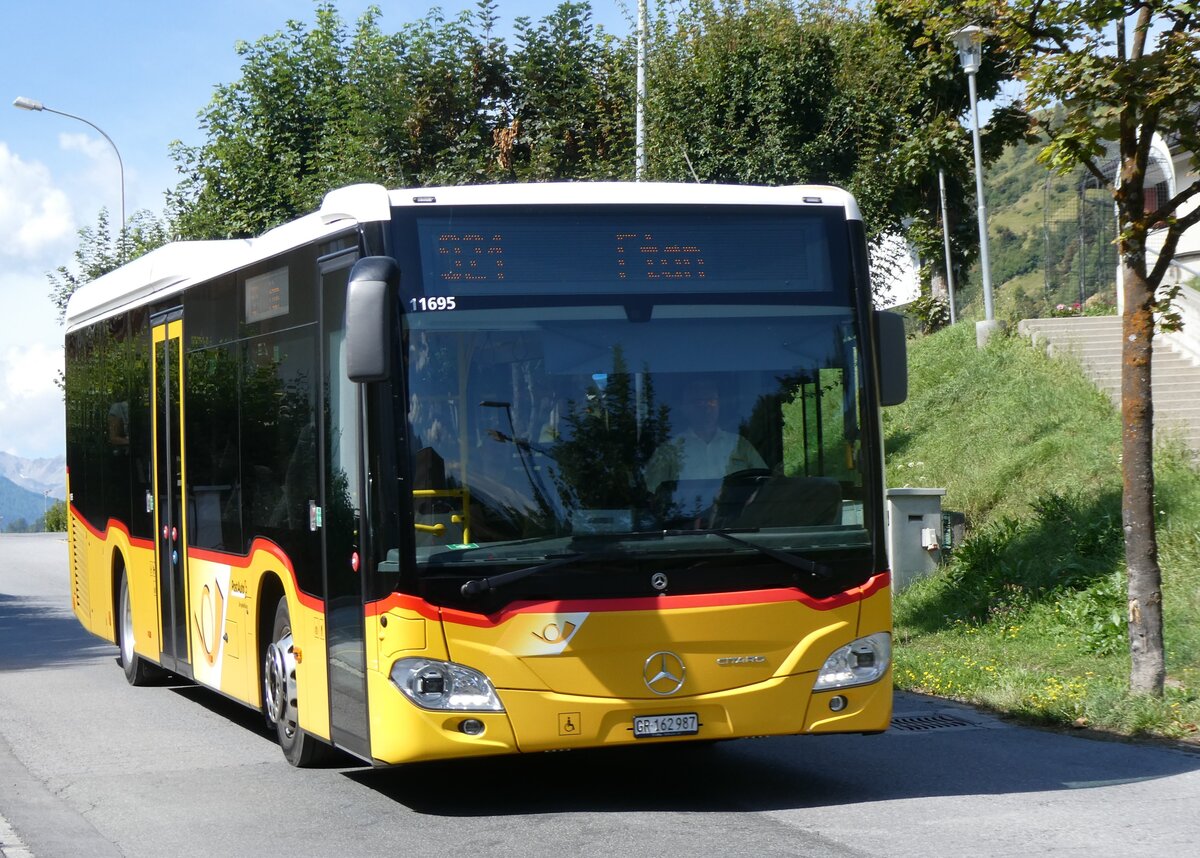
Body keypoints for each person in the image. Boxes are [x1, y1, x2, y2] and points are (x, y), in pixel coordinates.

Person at [644, 379, 766, 492]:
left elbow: (765, 484)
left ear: (719, 406)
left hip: (739, 514)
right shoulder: (670, 450)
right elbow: (650, 492)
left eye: (711, 400)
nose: (705, 406)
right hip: (685, 514)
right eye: (697, 401)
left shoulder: (740, 444)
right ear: (684, 408)